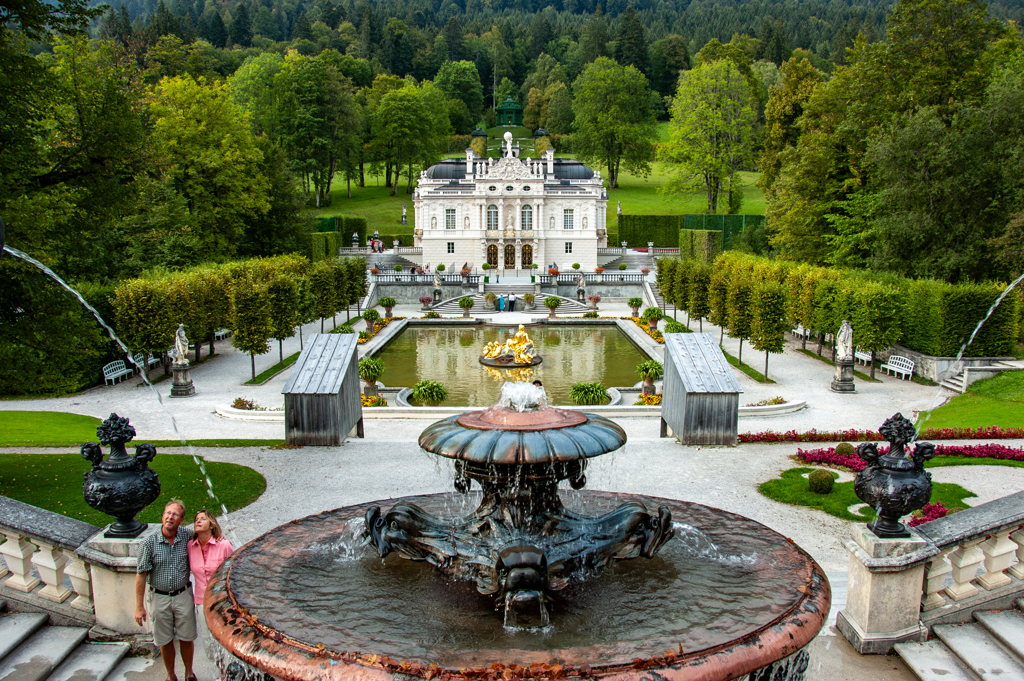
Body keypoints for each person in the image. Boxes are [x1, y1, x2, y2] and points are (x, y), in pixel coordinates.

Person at [136, 500, 197, 681]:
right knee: (164, 640)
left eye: (175, 514)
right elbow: (141, 575)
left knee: (187, 637)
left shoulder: (187, 536)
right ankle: (171, 676)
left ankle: (189, 673)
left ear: (181, 520)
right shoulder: (148, 543)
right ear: (162, 516)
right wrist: (139, 606)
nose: (170, 517)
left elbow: (207, 538)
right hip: (159, 597)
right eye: (168, 513)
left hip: (183, 594)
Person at [188, 510, 234, 680]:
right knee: (208, 642)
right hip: (201, 602)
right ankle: (221, 673)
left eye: (202, 519)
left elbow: (233, 574)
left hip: (221, 602)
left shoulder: (224, 545)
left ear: (212, 524)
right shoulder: (190, 546)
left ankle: (229, 674)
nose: (198, 521)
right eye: (196, 519)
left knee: (225, 640)